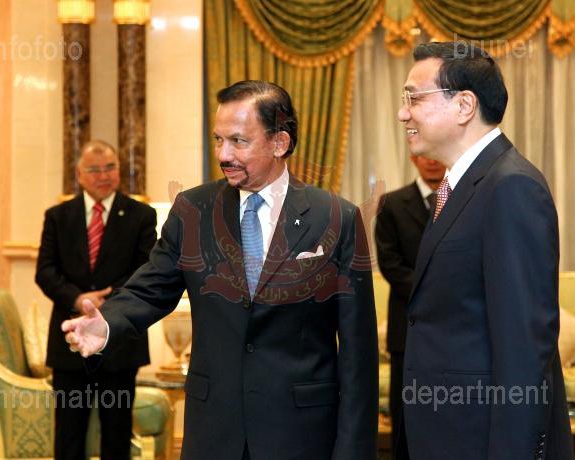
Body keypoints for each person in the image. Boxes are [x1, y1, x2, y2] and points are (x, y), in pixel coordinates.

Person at [62, 80, 379, 460]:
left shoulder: (336, 218)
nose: (223, 154)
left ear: (280, 142)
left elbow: (358, 352)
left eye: (238, 141)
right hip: (214, 432)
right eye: (218, 140)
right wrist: (108, 323)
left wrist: (354, 451)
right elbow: (151, 287)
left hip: (301, 434)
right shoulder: (193, 211)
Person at [396, 41, 573, 459]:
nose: (403, 113)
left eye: (414, 98)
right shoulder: (461, 185)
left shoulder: (511, 186)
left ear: (464, 106)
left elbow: (523, 350)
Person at [35, 140, 157, 460]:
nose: (103, 175)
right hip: (70, 341)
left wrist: (107, 303)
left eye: (110, 167)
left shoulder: (141, 215)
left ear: (119, 170)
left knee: (116, 433)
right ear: (79, 174)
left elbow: (145, 269)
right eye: (94, 169)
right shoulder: (58, 216)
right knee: (69, 435)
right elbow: (45, 271)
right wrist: (78, 299)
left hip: (119, 341)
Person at [375, 154, 445, 458]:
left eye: (435, 155)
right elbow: (390, 264)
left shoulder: (463, 199)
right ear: (413, 157)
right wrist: (437, 291)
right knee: (406, 415)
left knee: (447, 414)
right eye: (424, 156)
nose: (431, 161)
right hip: (407, 328)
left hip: (452, 327)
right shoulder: (392, 204)